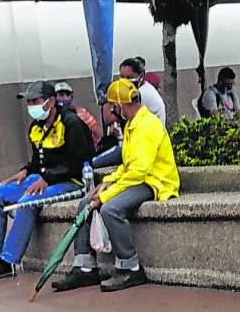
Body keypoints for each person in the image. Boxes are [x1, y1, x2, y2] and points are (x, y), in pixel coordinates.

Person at [51, 78, 180, 293]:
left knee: (111, 209)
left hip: (155, 182)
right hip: (138, 177)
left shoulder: (146, 126)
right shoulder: (132, 124)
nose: (108, 111)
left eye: (109, 106)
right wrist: (108, 181)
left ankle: (131, 267)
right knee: (85, 203)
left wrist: (106, 194)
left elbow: (139, 172)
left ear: (117, 106)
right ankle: (84, 268)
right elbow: (128, 165)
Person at [0, 81, 94, 281]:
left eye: (35, 101)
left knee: (27, 202)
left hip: (71, 180)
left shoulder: (71, 123)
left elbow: (79, 162)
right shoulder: (36, 127)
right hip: (44, 177)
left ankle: (8, 260)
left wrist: (48, 179)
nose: (31, 107)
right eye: (29, 102)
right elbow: (38, 161)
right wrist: (25, 171)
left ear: (51, 101)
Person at [93, 57, 166, 168]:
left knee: (94, 163)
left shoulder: (139, 94)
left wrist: (110, 98)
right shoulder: (138, 90)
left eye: (129, 78)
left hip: (145, 147)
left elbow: (109, 118)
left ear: (140, 77)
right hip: (135, 144)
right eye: (122, 77)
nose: (124, 81)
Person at [53, 81, 101, 148]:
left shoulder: (81, 113)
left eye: (67, 94)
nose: (64, 98)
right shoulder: (50, 116)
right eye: (61, 95)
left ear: (71, 97)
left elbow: (98, 132)